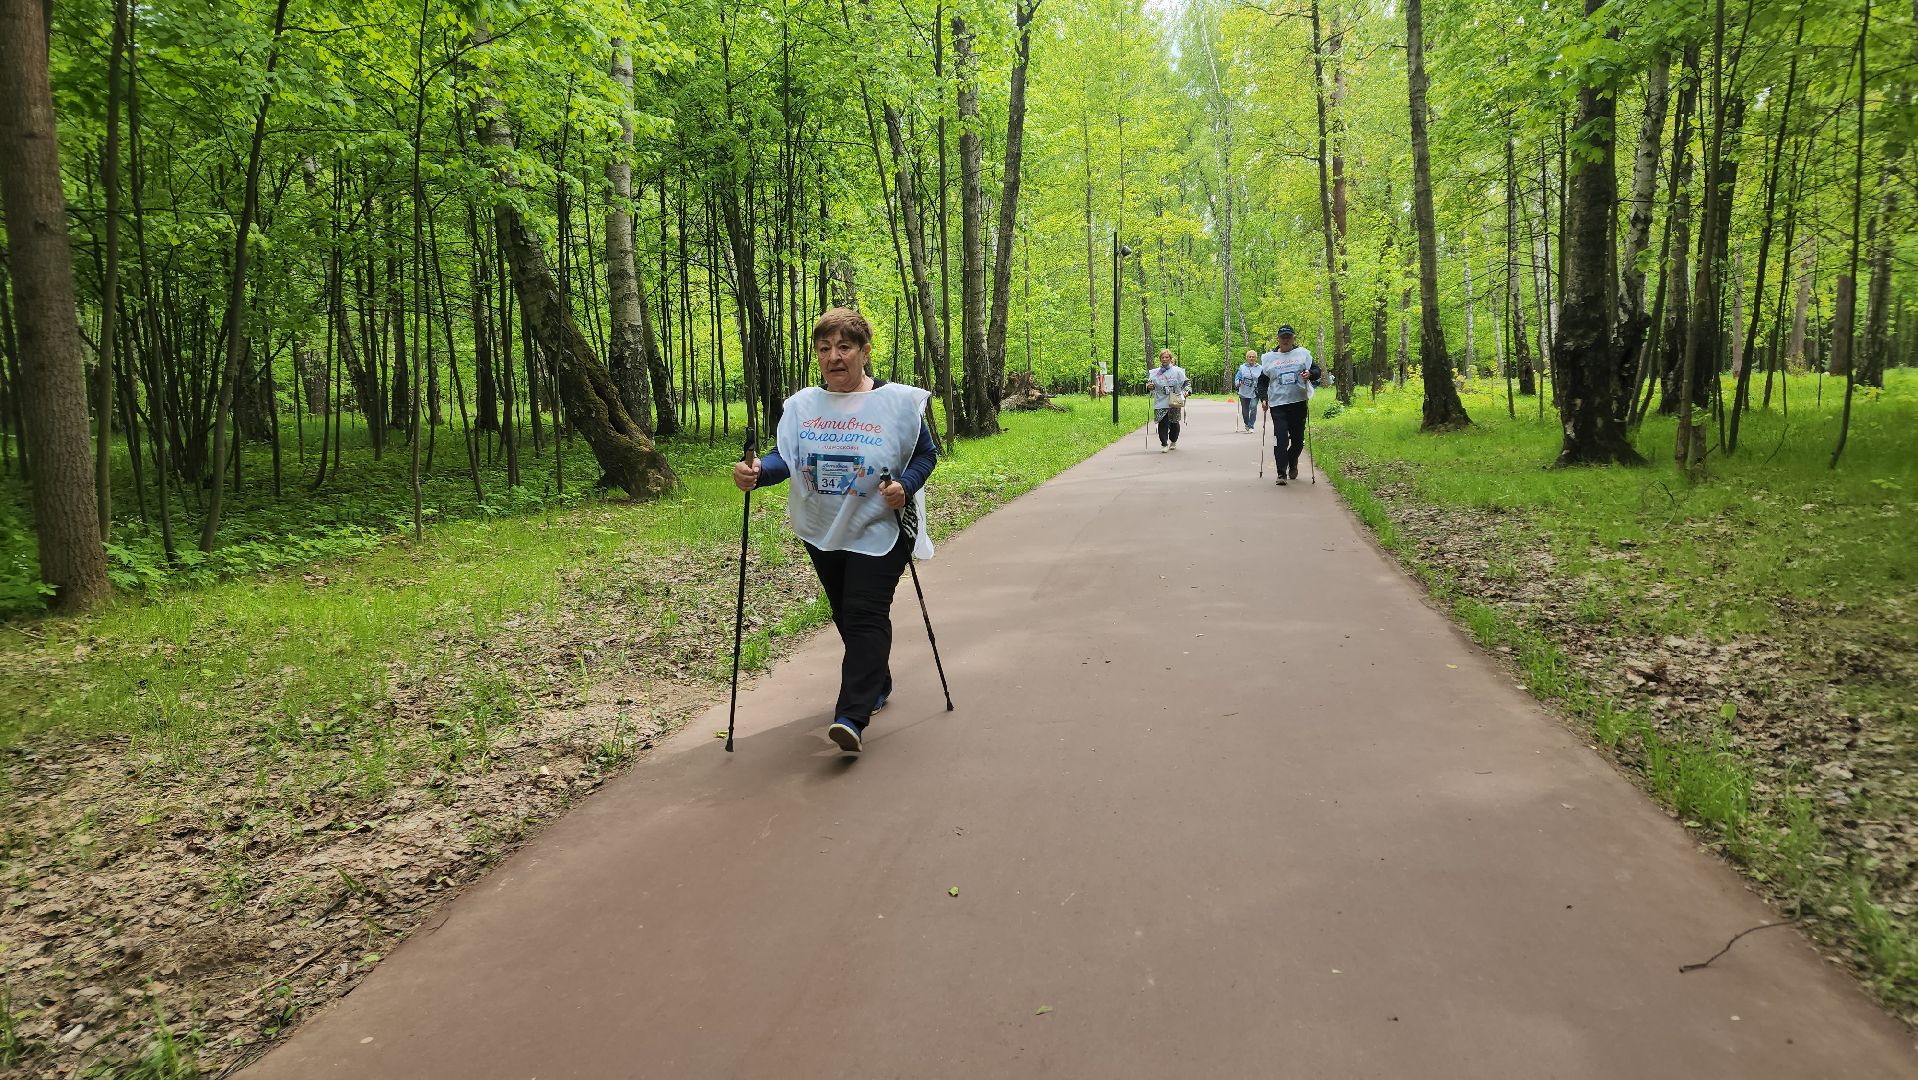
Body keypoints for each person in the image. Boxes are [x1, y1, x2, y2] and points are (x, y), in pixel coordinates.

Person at [732, 308, 938, 753]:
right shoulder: (804, 405)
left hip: (881, 525)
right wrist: (757, 472)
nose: (834, 357)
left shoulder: (895, 402)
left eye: (844, 347)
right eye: (824, 349)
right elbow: (784, 458)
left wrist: (905, 485)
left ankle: (851, 716)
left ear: (865, 352)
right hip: (823, 527)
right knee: (846, 612)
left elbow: (926, 454)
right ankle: (876, 682)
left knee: (864, 613)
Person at [1257, 326, 1324, 485]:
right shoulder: (1269, 358)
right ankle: (1281, 473)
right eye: (1283, 337)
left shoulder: (1302, 354)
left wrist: (1310, 374)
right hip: (1278, 404)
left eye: (1288, 336)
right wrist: (1263, 398)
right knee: (1280, 439)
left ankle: (1292, 462)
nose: (1285, 340)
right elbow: (1262, 381)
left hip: (1298, 402)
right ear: (1278, 339)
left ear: (1293, 338)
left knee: (1298, 441)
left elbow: (1317, 371)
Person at [1146, 348, 1191, 452]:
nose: (1165, 359)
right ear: (1160, 359)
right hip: (1160, 400)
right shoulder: (1155, 372)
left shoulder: (1178, 371)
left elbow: (1186, 383)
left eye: (1167, 357)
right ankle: (1164, 444)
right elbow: (1149, 384)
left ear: (1170, 358)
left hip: (1174, 399)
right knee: (1162, 422)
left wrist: (1187, 391)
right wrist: (1149, 386)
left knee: (1174, 423)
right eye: (1163, 357)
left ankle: (1173, 440)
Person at [1233, 349, 1262, 432]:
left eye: (1253, 357)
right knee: (1245, 410)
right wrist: (1238, 383)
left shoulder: (1260, 368)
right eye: (1250, 357)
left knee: (1253, 407)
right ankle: (1247, 423)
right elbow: (1237, 378)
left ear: (1256, 358)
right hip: (1244, 392)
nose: (1251, 358)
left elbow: (1263, 380)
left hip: (1255, 392)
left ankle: (1251, 426)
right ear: (1247, 358)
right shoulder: (1242, 367)